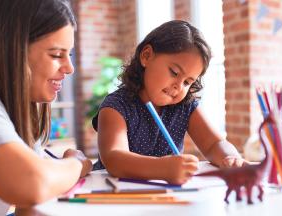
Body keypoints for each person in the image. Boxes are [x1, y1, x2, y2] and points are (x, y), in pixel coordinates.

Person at [0, 0, 92, 215]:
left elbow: (30, 197)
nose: (69, 68)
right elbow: (32, 183)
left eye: (70, 54)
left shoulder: (16, 105)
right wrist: (75, 163)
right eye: (57, 55)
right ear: (11, 50)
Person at [92, 20, 246, 185]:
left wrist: (231, 158)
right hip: (113, 193)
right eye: (174, 72)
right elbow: (114, 158)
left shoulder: (185, 107)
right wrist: (161, 168)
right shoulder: (116, 106)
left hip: (164, 198)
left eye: (187, 82)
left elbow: (214, 144)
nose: (178, 86)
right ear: (146, 56)